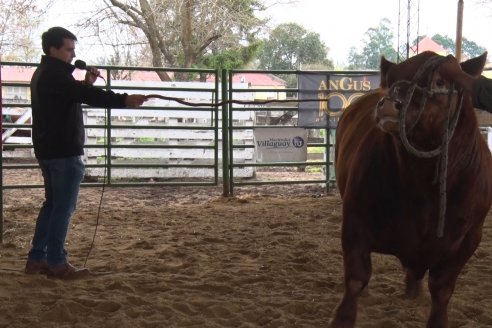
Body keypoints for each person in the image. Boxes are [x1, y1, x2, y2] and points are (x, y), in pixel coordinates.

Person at [25, 26, 148, 279]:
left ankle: (37, 258)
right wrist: (123, 99)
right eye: (69, 49)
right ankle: (57, 262)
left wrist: (85, 83)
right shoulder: (56, 76)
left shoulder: (44, 73)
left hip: (49, 149)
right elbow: (83, 94)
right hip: (63, 151)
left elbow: (73, 93)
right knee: (63, 208)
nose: (73, 54)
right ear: (53, 49)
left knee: (52, 205)